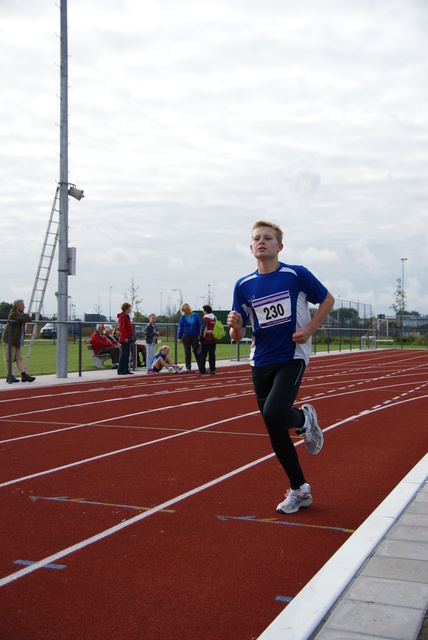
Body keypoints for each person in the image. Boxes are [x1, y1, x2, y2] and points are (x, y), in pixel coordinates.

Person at [227, 221, 335, 515]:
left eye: (268, 238)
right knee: (273, 427)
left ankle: (303, 419)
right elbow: (237, 335)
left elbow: (328, 299)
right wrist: (235, 328)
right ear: (251, 248)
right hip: (260, 359)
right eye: (256, 239)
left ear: (279, 246)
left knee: (275, 413)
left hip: (292, 354)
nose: (262, 242)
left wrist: (311, 328)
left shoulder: (295, 274)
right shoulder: (243, 285)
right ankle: (299, 489)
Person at [1, 299, 36, 383]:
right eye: (22, 305)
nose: (24, 306)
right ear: (17, 306)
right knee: (9, 358)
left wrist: (26, 316)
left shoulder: (21, 314)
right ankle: (9, 376)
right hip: (10, 339)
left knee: (19, 358)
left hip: (17, 340)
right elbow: (23, 320)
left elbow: (29, 319)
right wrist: (26, 316)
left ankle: (23, 375)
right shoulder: (13, 314)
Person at [178, 303, 202, 373]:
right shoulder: (182, 317)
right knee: (187, 352)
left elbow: (199, 326)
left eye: (186, 310)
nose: (185, 312)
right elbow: (180, 327)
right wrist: (179, 337)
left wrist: (199, 335)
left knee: (196, 351)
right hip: (185, 336)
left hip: (194, 335)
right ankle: (188, 367)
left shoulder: (195, 316)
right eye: (183, 310)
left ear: (188, 309)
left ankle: (200, 367)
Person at [198, 304, 216, 375]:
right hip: (213, 339)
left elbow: (203, 329)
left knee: (203, 355)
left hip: (206, 340)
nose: (203, 312)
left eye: (203, 310)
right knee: (212, 355)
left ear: (206, 311)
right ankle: (212, 369)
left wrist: (201, 340)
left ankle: (202, 369)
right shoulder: (214, 318)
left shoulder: (205, 319)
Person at [117, 302, 134, 375]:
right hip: (124, 338)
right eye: (129, 308)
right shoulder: (122, 317)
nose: (130, 309)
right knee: (124, 354)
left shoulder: (126, 316)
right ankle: (120, 369)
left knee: (127, 354)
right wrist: (125, 337)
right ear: (126, 308)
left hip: (128, 337)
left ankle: (125, 369)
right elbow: (122, 328)